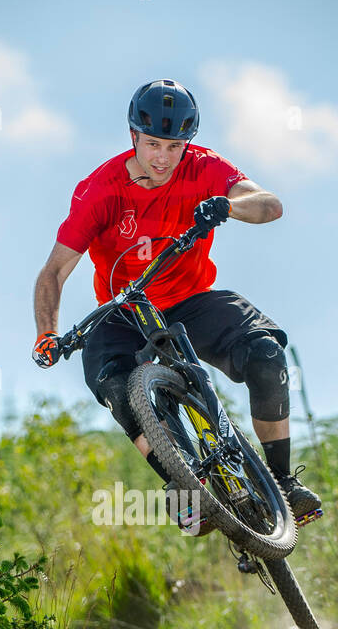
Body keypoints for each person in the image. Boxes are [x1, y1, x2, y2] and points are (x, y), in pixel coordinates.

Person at [32, 78, 322, 535]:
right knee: (112, 381)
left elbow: (269, 205)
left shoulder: (204, 168)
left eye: (174, 146)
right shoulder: (100, 190)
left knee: (266, 353)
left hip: (191, 300)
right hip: (125, 312)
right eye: (152, 145)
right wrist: (46, 333)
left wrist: (227, 205)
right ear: (134, 138)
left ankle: (283, 483)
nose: (163, 158)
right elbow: (53, 273)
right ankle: (187, 487)